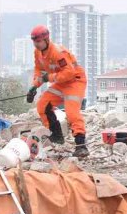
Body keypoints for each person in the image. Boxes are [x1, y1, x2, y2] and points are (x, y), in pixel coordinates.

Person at [25, 24, 88, 157]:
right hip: (60, 82)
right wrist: (34, 87)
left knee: (72, 113)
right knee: (43, 105)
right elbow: (39, 70)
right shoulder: (38, 53)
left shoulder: (58, 52)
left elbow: (69, 72)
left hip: (74, 81)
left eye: (38, 42)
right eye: (34, 42)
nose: (36, 45)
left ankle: (81, 145)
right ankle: (56, 136)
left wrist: (50, 77)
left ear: (46, 40)